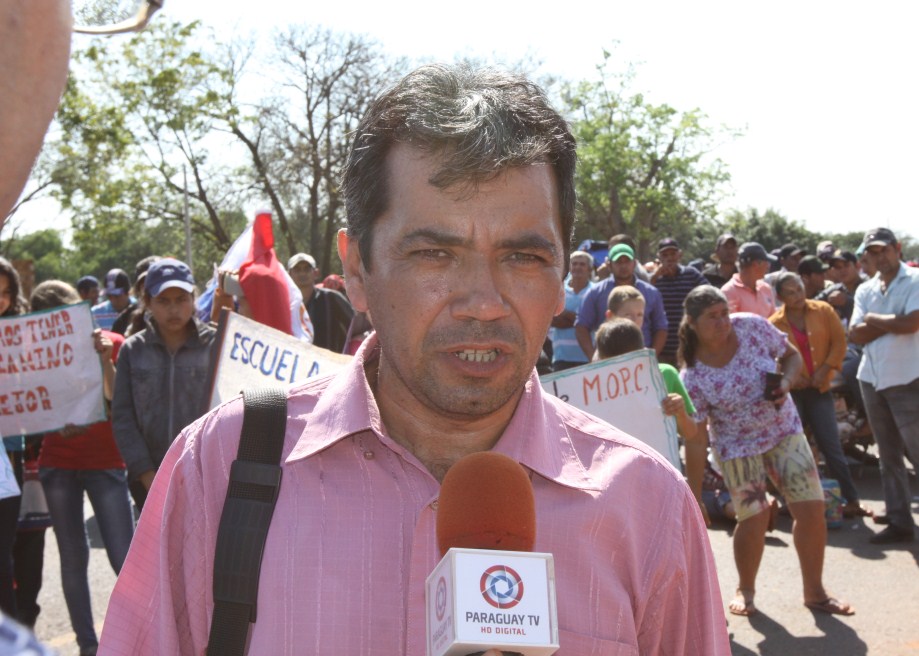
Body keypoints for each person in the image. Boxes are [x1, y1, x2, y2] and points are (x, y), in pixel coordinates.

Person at [99, 63, 729, 655]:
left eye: (523, 257)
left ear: (564, 272)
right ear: (357, 271)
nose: (484, 304)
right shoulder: (217, 467)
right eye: (434, 254)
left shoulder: (649, 508)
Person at [680, 285, 853, 618]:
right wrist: (695, 495)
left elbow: (791, 356)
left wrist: (787, 382)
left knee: (811, 508)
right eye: (712, 317)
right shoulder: (693, 375)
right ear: (692, 322)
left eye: (724, 313)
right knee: (754, 516)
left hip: (783, 430)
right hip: (736, 446)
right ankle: (745, 590)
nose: (723, 322)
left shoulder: (752, 326)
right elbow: (696, 440)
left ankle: (815, 592)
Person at [31, 281, 135, 656]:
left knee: (126, 558)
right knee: (73, 559)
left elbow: (115, 400)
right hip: (58, 463)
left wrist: (105, 359)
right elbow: (32, 406)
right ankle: (88, 647)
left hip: (105, 461)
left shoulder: (112, 342)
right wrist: (52, 423)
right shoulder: (35, 355)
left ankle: (140, 637)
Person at [111, 258, 216, 511]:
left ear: (193, 299)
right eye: (163, 301)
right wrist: (148, 475)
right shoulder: (132, 350)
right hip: (147, 481)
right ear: (147, 302)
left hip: (207, 478)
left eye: (181, 299)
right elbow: (123, 418)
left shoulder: (216, 345)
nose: (174, 309)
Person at [769, 273, 871, 518]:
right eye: (790, 292)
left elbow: (839, 343)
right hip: (792, 394)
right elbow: (771, 358)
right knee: (790, 447)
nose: (797, 295)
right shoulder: (774, 322)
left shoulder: (823, 310)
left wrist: (824, 370)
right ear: (780, 297)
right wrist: (793, 378)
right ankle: (790, 502)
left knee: (831, 445)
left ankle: (851, 500)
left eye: (799, 288)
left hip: (820, 390)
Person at [850, 227, 919, 544]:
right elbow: (855, 333)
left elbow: (912, 323)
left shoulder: (914, 280)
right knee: (888, 456)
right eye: (873, 252)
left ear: (897, 248)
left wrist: (874, 320)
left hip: (908, 378)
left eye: (884, 250)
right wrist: (892, 321)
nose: (880, 257)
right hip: (872, 379)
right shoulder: (866, 289)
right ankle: (899, 520)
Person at [595, 318, 697, 441]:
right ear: (601, 360)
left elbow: (691, 433)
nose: (624, 375)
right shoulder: (595, 388)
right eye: (616, 367)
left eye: (630, 363)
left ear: (643, 352)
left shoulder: (665, 374)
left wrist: (681, 413)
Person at [575, 243, 668, 360]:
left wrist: (650, 358)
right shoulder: (595, 292)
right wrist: (595, 360)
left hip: (641, 359)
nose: (623, 266)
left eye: (627, 261)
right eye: (618, 262)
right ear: (609, 265)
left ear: (634, 263)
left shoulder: (651, 292)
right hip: (607, 360)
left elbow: (661, 328)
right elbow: (581, 326)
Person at [0, 257, 29, 619]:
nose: (1, 300)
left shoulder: (25, 336)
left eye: (6, 292)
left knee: (2, 552)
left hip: (8, 453)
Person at [650, 237, 707, 366]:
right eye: (665, 255)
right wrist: (655, 277)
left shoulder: (691, 274)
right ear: (659, 257)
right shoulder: (654, 279)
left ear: (679, 255)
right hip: (662, 349)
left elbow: (710, 292)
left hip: (688, 346)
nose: (669, 258)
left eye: (673, 254)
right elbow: (643, 298)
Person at [287, 253, 355, 352]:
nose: (302, 273)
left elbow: (355, 326)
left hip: (330, 360)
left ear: (316, 273)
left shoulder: (331, 298)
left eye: (307, 269)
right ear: (289, 274)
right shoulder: (285, 303)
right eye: (297, 270)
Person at [548, 250, 594, 371]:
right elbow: (552, 320)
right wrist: (581, 321)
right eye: (574, 264)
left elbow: (594, 322)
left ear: (590, 269)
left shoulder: (595, 291)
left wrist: (566, 314)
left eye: (582, 264)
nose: (578, 267)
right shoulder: (558, 291)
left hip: (588, 357)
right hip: (561, 358)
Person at [721, 242, 777, 318]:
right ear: (757, 263)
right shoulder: (729, 291)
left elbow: (773, 320)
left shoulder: (766, 288)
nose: (768, 265)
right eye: (766, 262)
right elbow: (731, 323)